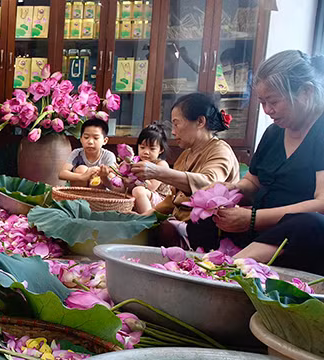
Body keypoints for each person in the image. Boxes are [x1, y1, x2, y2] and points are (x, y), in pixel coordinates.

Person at [188, 50, 324, 268]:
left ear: (306, 92)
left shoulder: (321, 132)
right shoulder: (273, 133)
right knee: (203, 219)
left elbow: (321, 204)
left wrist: (253, 219)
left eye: (274, 102)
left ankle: (229, 267)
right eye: (262, 102)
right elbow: (253, 182)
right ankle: (225, 267)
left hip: (297, 236)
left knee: (312, 223)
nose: (267, 110)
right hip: (259, 227)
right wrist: (232, 189)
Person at [131, 93, 239, 222]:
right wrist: (145, 217)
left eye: (176, 124)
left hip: (206, 228)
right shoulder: (185, 155)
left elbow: (209, 184)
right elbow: (175, 199)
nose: (173, 132)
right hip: (179, 223)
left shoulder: (220, 150)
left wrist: (158, 172)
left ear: (200, 122)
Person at [58, 118, 116, 187]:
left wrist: (103, 176)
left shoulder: (108, 156)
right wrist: (82, 176)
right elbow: (62, 174)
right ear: (81, 139)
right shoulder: (77, 153)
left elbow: (113, 179)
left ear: (105, 141)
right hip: (78, 189)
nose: (90, 142)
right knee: (81, 169)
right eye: (86, 137)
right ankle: (78, 197)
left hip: (99, 192)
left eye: (96, 138)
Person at [128, 123, 172, 214]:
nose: (146, 152)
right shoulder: (136, 161)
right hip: (144, 197)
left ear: (161, 150)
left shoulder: (161, 164)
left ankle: (148, 221)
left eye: (152, 149)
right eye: (142, 147)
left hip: (161, 201)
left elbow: (151, 187)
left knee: (138, 190)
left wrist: (134, 176)